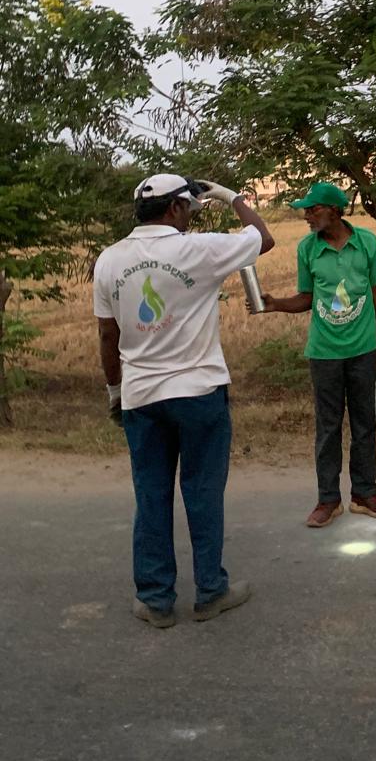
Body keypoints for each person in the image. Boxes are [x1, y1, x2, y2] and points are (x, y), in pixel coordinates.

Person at [93, 173, 275, 629]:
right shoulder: (199, 250)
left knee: (151, 495)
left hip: (140, 397)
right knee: (203, 493)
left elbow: (107, 336)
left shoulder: (109, 260)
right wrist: (230, 196)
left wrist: (115, 391)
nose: (191, 216)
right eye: (189, 208)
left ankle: (155, 600)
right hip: (198, 393)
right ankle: (211, 592)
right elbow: (263, 237)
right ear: (175, 208)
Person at [260, 182, 376, 527]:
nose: (307, 216)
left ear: (335, 211)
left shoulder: (366, 242)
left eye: (313, 210)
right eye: (306, 211)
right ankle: (328, 500)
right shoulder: (307, 249)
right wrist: (276, 304)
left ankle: (364, 494)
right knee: (328, 427)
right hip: (324, 353)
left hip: (363, 349)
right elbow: (307, 298)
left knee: (364, 423)